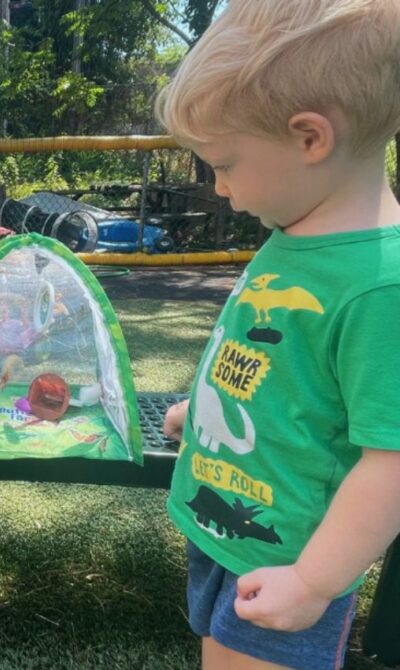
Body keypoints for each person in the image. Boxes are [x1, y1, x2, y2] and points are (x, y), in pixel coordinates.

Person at [155, 1, 400, 668]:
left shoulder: (381, 283)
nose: (222, 188)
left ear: (310, 138)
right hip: (224, 522)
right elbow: (279, 363)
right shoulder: (294, 234)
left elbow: (393, 462)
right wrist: (203, 416)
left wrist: (315, 581)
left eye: (226, 163)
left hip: (289, 555)